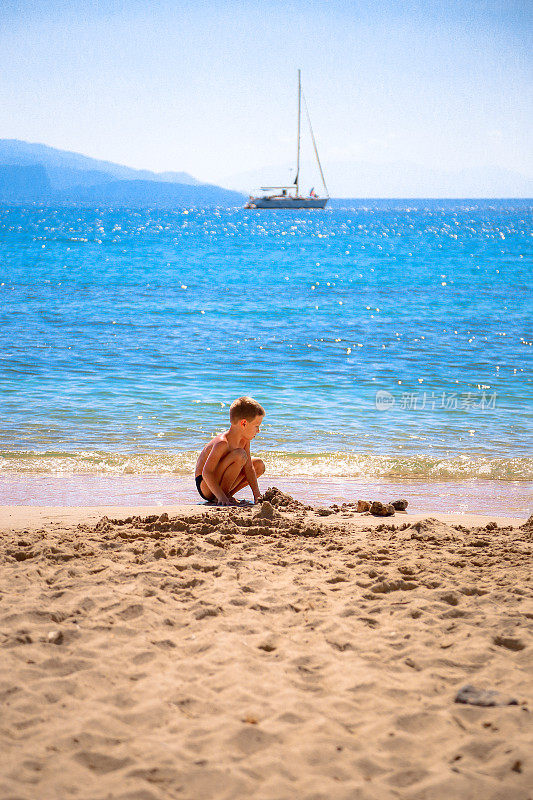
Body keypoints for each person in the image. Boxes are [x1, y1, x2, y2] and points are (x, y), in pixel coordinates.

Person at [195, 396, 265, 506]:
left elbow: (248, 467)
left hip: (219, 484)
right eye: (256, 426)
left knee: (259, 465)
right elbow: (207, 472)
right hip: (206, 485)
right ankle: (222, 496)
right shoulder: (222, 443)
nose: (259, 430)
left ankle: (227, 495)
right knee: (239, 455)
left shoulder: (245, 440)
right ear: (244, 424)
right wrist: (220, 496)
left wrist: (257, 495)